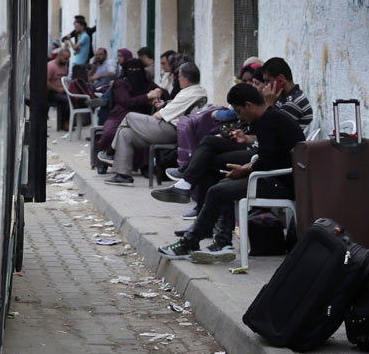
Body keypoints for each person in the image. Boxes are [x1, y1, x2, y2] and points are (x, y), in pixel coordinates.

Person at [158, 84, 305, 260]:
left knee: (218, 191)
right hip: (274, 178)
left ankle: (190, 243)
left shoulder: (268, 121)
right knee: (222, 185)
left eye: (239, 111)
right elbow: (269, 157)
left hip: (280, 184)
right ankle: (221, 242)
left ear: (249, 105)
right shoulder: (269, 117)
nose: (239, 116)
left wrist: (243, 171)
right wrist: (244, 169)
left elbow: (267, 162)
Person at [100, 62, 208, 185]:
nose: (178, 80)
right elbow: (175, 107)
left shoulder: (188, 94)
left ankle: (110, 152)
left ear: (186, 79)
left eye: (179, 77)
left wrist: (148, 120)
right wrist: (164, 105)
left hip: (170, 129)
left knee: (129, 117)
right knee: (125, 133)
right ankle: (123, 175)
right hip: (171, 127)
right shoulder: (198, 90)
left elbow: (159, 115)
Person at [254, 57, 314, 131]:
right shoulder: (283, 98)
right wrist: (247, 138)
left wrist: (268, 104)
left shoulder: (292, 103)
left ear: (280, 80)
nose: (265, 86)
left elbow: (269, 131)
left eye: (268, 81)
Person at [46, 49, 71, 131]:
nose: (67, 61)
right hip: (51, 92)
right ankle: (65, 123)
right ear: (59, 56)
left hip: (62, 90)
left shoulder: (64, 67)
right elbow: (46, 82)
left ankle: (69, 121)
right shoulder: (50, 66)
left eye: (68, 59)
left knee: (73, 99)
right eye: (65, 58)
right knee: (66, 100)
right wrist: (58, 89)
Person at [68, 15, 93, 85]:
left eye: (76, 26)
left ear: (82, 26)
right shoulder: (82, 36)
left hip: (80, 66)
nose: (75, 28)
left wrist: (69, 39)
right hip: (77, 64)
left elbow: (75, 47)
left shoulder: (84, 36)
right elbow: (78, 49)